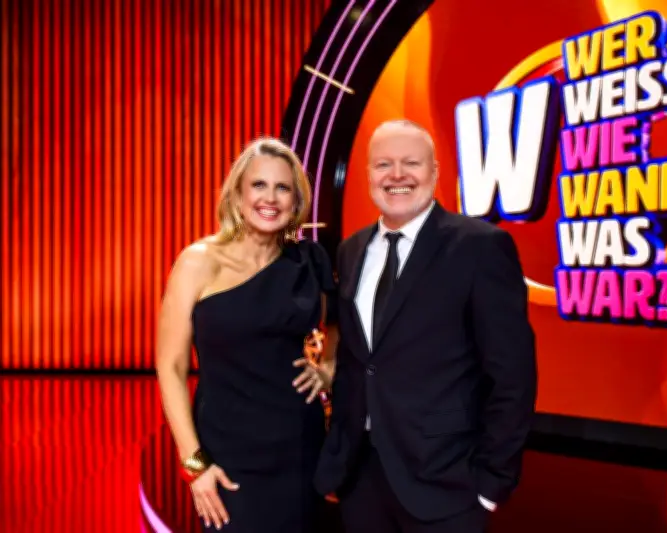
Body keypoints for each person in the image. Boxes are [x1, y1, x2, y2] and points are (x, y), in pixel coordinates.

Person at [314, 120, 537, 533]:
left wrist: (492, 483)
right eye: (384, 164)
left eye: (411, 163)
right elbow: (358, 362)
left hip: (447, 483)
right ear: (368, 175)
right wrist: (337, 459)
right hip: (360, 479)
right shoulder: (351, 250)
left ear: (434, 172)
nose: (397, 175)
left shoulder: (480, 247)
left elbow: (513, 375)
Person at [156, 138, 337, 532]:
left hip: (299, 447)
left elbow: (338, 321)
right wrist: (194, 463)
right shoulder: (198, 262)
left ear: (296, 201)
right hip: (227, 453)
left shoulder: (309, 261)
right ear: (237, 195)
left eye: (282, 188)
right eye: (259, 185)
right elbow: (170, 367)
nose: (270, 198)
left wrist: (328, 367)